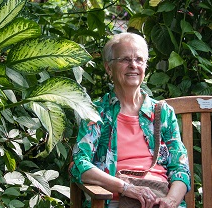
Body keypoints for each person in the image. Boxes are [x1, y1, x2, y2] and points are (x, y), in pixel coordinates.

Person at [70, 32, 191, 208]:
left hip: (161, 197)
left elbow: (180, 168)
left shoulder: (162, 112)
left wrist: (170, 202)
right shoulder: (97, 112)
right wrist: (126, 188)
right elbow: (79, 164)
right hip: (116, 199)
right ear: (109, 68)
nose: (133, 65)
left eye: (139, 59)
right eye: (125, 59)